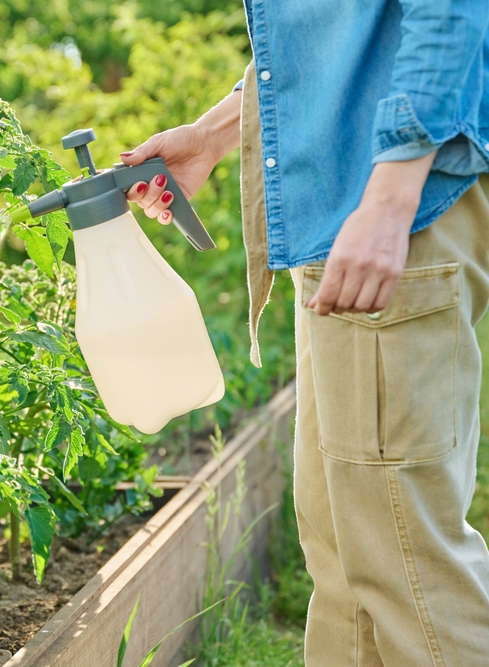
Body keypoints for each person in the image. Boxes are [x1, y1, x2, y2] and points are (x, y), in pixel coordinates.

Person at [123, 2, 489, 665]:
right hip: (348, 216)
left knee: (409, 565)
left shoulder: (387, 207)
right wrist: (213, 133)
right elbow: (337, 35)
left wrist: (387, 202)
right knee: (346, 557)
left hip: (390, 213)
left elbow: (451, 12)